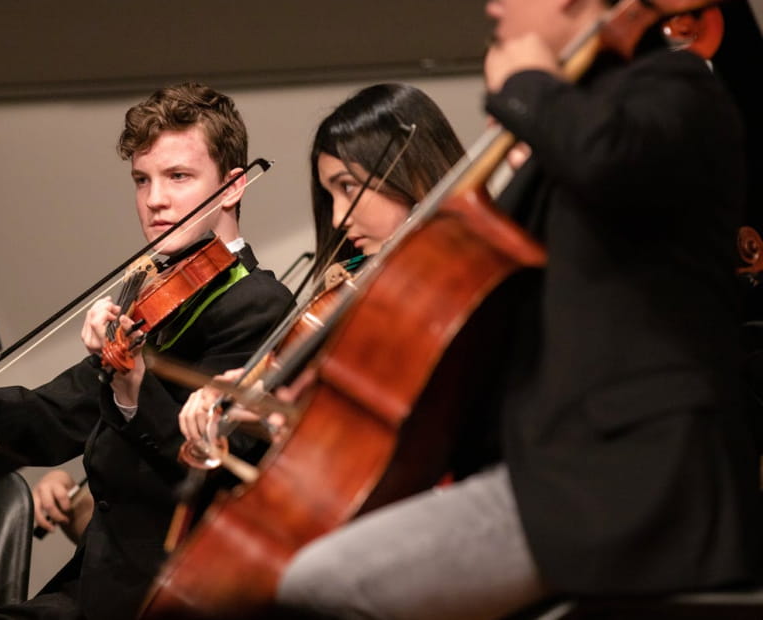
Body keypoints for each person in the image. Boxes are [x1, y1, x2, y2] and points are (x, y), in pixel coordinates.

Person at [274, 1, 763, 619]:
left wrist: (530, 86)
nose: (494, 5)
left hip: (629, 480)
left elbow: (607, 160)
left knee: (323, 582)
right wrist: (340, 389)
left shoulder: (679, 89)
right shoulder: (564, 128)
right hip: (554, 474)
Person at [0, 82, 292, 620]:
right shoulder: (150, 296)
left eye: (178, 177)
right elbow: (51, 415)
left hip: (169, 595)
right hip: (96, 585)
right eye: (142, 180)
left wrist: (132, 382)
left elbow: (208, 473)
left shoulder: (258, 305)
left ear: (232, 187)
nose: (154, 200)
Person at [177, 83, 465, 447]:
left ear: (411, 173)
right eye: (331, 196)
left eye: (348, 187)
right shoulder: (356, 287)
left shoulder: (462, 286)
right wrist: (260, 392)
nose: (339, 218)